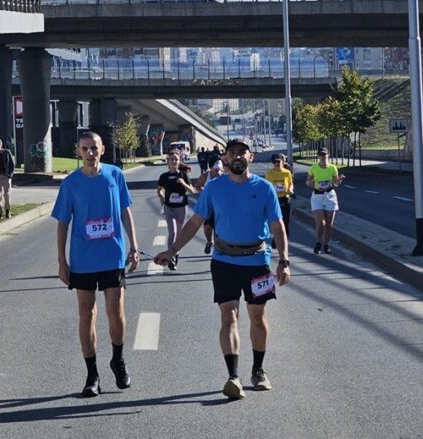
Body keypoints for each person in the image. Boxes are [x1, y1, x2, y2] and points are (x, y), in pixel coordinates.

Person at [154, 139, 290, 400]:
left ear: (251, 157)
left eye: (242, 153)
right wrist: (173, 250)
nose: (237, 157)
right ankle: (233, 376)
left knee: (258, 317)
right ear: (225, 159)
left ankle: (258, 370)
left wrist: (284, 261)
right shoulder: (214, 188)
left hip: (258, 261)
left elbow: (277, 226)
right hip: (224, 261)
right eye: (232, 153)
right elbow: (195, 222)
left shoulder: (264, 188)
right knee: (229, 316)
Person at [52, 131, 140, 397]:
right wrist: (61, 261)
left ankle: (118, 359)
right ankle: (92, 374)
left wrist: (134, 246)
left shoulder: (115, 175)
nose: (90, 153)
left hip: (112, 255)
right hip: (83, 259)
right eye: (85, 149)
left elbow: (125, 210)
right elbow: (63, 222)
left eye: (94, 148)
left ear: (102, 150)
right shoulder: (70, 184)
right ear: (78, 152)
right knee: (87, 313)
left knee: (116, 311)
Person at [157, 151, 197, 271]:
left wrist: (183, 183)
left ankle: (176, 254)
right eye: (172, 159)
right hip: (169, 208)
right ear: (168, 162)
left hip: (181, 208)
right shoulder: (163, 176)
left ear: (179, 162)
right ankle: (171, 259)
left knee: (179, 235)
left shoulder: (183, 175)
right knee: (172, 233)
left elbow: (192, 191)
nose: (174, 162)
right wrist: (162, 198)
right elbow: (159, 190)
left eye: (176, 160)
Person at [306, 146, 345, 255]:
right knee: (320, 223)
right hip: (317, 196)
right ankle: (318, 242)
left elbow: (336, 183)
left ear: (328, 156)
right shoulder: (313, 168)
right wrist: (316, 185)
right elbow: (308, 182)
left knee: (329, 224)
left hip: (330, 196)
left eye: (325, 155)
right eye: (321, 155)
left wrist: (340, 180)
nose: (323, 157)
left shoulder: (332, 168)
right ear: (318, 157)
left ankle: (326, 244)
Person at [194, 153, 226, 254]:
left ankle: (217, 251)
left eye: (220, 170)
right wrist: (204, 193)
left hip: (220, 207)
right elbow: (197, 186)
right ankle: (209, 242)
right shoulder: (205, 176)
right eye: (216, 170)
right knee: (207, 227)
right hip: (209, 206)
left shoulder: (225, 177)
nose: (218, 172)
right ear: (211, 167)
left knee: (218, 231)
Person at [264, 153, 294, 249]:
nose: (277, 163)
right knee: (276, 221)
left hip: (285, 198)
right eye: (275, 162)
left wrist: (290, 190)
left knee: (286, 221)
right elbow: (267, 187)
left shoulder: (287, 172)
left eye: (278, 161)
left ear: (282, 161)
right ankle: (275, 239)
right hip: (274, 200)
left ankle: (285, 242)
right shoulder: (269, 173)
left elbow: (290, 184)